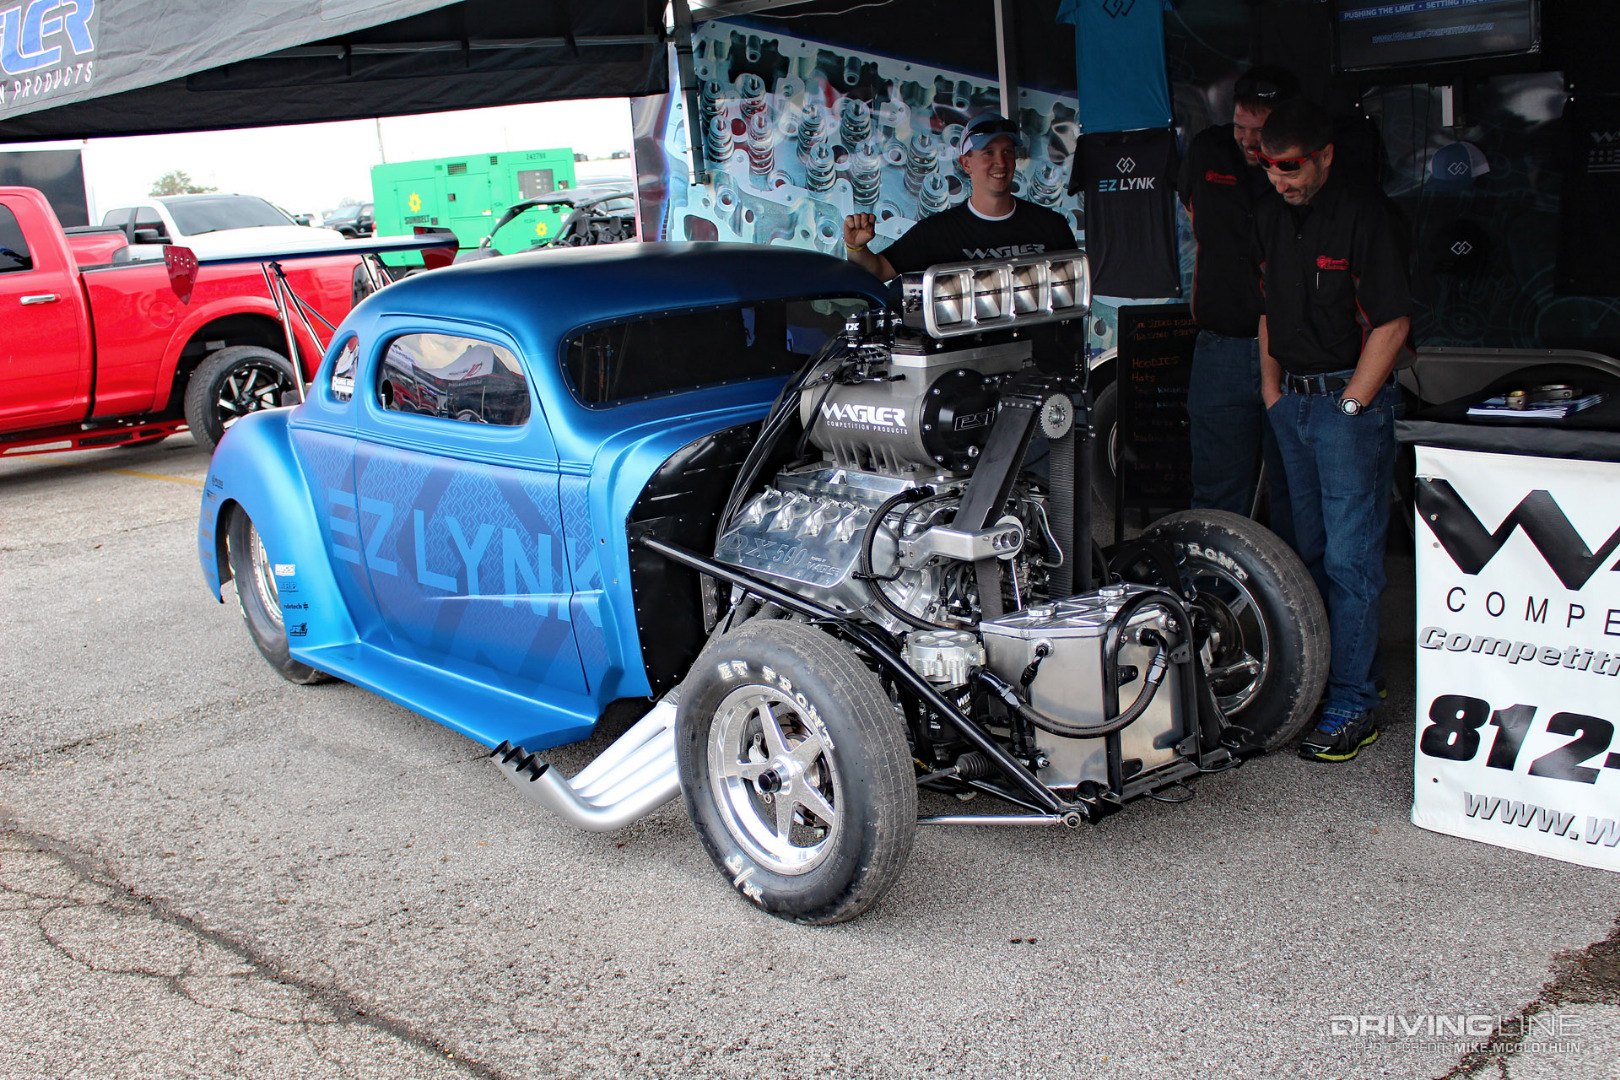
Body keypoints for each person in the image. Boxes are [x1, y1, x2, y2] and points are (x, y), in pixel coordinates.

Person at [1254, 98, 1411, 763]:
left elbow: (1393, 322)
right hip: (1293, 403)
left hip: (1349, 405)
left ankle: (1353, 701)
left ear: (1324, 157)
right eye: (1267, 166)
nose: (1279, 178)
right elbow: (1267, 310)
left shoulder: (1365, 214)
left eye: (1290, 167)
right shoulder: (1270, 216)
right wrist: (1272, 394)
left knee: (1351, 561)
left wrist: (1351, 406)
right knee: (1309, 554)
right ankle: (1333, 678)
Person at [1177, 67, 1299, 537]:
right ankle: (1216, 582)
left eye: (1260, 130)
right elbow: (1190, 208)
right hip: (1222, 344)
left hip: (1294, 350)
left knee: (1295, 493)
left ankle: (1292, 586)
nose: (1248, 139)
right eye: (1240, 127)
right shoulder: (1208, 149)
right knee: (1217, 493)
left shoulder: (1301, 168)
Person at [843, 112, 1077, 282]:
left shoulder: (1051, 226)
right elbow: (879, 271)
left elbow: (1075, 288)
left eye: (1007, 151)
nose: (1001, 162)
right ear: (966, 163)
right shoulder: (936, 232)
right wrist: (855, 247)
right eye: (988, 152)